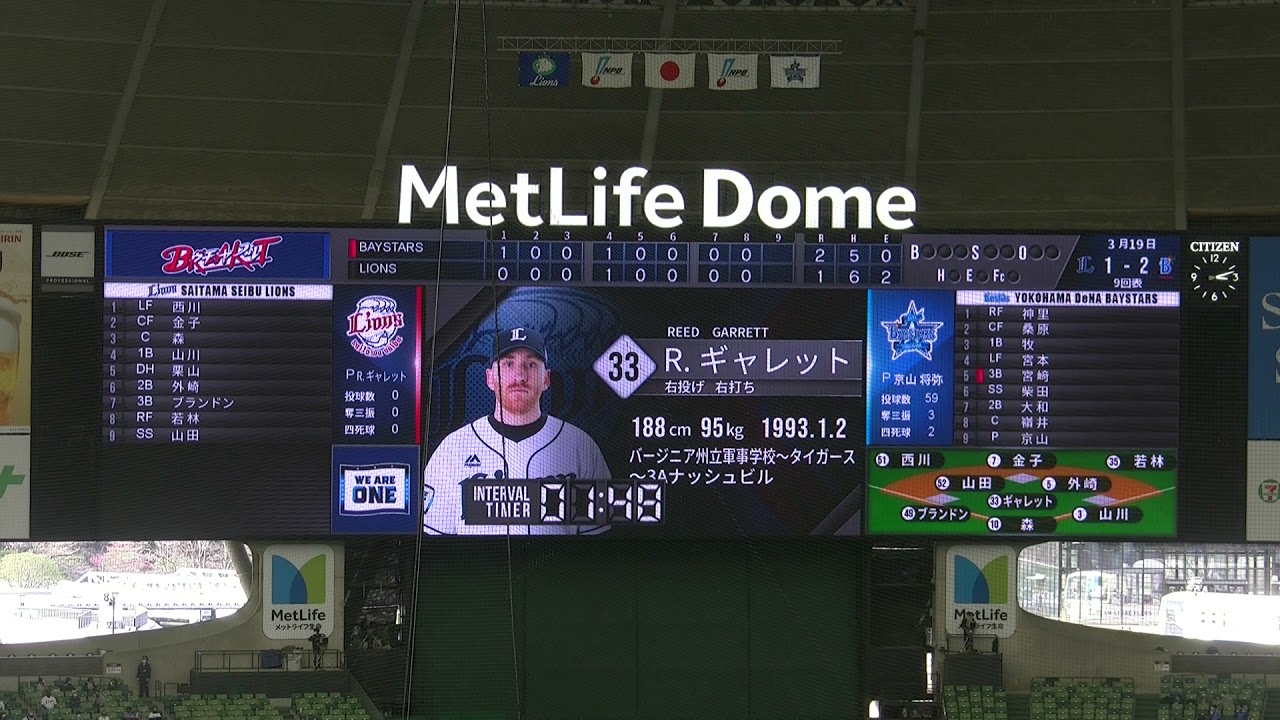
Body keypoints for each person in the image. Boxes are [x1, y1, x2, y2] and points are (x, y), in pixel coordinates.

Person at [423, 326, 611, 535]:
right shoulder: (452, 448)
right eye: (508, 364)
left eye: (531, 364)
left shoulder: (580, 446)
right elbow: (435, 540)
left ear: (546, 379)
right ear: (489, 378)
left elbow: (598, 539)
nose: (520, 376)